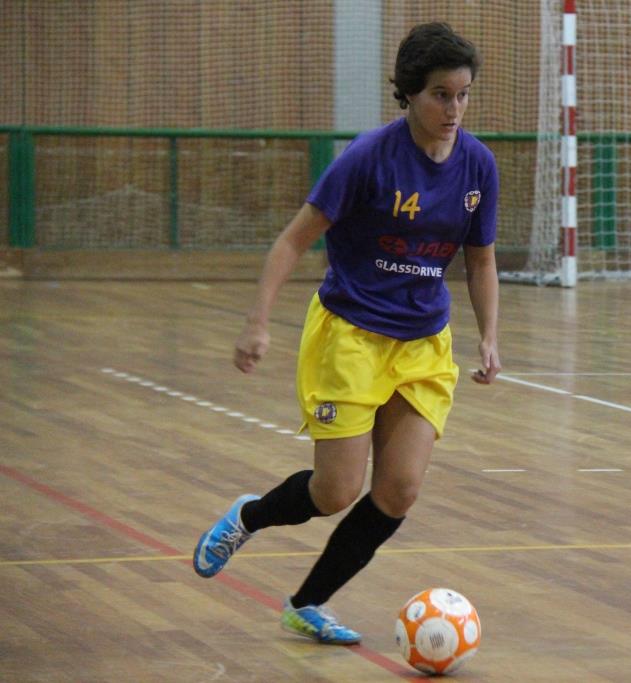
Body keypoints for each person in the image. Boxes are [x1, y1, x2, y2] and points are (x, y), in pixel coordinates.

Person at [192, 22, 501, 644]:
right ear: (410, 94)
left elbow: (480, 259)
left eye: (464, 95)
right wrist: (257, 323)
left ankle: (307, 603)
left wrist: (489, 336)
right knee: (335, 491)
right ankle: (247, 517)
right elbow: (292, 241)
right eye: (442, 94)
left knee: (399, 490)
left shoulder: (477, 165)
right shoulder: (368, 158)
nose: (454, 109)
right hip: (351, 336)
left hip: (423, 343)